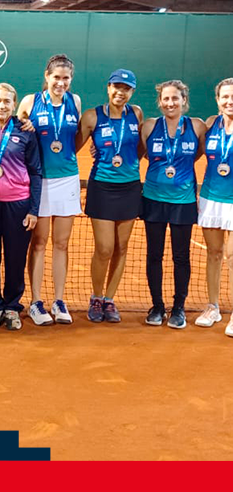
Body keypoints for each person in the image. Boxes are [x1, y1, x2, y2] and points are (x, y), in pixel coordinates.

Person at [17, 53, 81, 325]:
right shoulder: (30, 102)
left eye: (66, 78)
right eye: (56, 77)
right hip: (39, 180)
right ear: (47, 76)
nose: (61, 83)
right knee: (39, 242)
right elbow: (15, 133)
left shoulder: (75, 101)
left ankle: (58, 300)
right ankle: (35, 301)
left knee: (62, 243)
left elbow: (76, 138)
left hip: (68, 179)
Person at [76, 69, 143, 323]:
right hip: (102, 188)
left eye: (126, 88)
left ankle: (109, 299)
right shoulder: (92, 116)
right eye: (117, 86)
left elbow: (139, 149)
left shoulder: (136, 114)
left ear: (131, 92)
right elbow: (73, 148)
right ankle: (96, 297)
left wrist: (128, 164)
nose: (120, 92)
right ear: (108, 87)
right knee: (104, 248)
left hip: (130, 187)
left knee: (121, 248)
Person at [0, 83, 41, 330]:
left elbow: (35, 171)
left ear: (14, 105)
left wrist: (33, 209)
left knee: (15, 257)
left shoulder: (25, 131)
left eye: (7, 101)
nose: (2, 105)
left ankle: (12, 306)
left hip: (18, 203)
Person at [140, 81, 205, 328]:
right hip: (153, 199)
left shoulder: (196, 126)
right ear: (160, 101)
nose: (170, 103)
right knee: (154, 255)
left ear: (184, 101)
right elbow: (141, 153)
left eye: (175, 98)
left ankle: (179, 308)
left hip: (183, 201)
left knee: (181, 256)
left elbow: (199, 152)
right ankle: (157, 306)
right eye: (166, 99)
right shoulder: (149, 126)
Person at [195, 78, 233, 336]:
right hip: (210, 198)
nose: (230, 101)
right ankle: (213, 307)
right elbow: (194, 154)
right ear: (218, 100)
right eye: (225, 97)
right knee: (214, 254)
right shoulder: (210, 124)